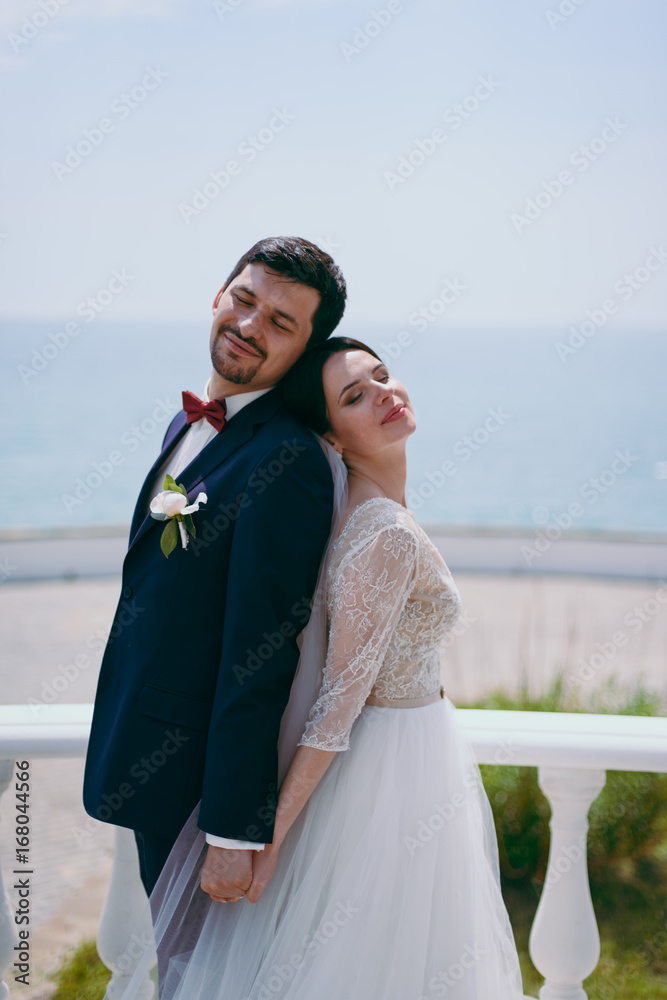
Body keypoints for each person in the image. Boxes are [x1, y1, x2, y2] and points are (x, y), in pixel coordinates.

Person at [113, 337, 527, 999]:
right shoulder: (382, 533)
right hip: (387, 776)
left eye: (383, 376)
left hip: (404, 761)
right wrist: (267, 841)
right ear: (330, 438)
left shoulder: (362, 515)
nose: (385, 394)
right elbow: (334, 709)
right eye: (354, 397)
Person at [83, 236, 347, 901]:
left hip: (199, 789)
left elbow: (259, 651)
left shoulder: (286, 463)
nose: (250, 326)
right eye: (244, 300)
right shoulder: (188, 421)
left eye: (280, 322)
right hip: (146, 755)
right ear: (218, 296)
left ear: (304, 347)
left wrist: (231, 832)